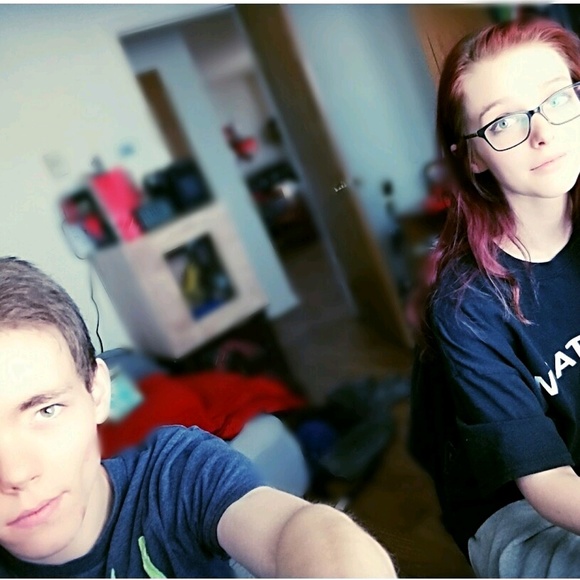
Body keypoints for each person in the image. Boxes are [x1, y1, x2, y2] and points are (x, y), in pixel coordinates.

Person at [0, 257, 397, 578]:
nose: (16, 473)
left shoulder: (173, 473)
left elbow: (294, 530)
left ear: (98, 392)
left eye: (47, 409)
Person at [409, 16, 580, 578]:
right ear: (473, 156)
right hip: (526, 507)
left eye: (558, 98)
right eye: (504, 121)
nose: (543, 132)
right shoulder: (468, 305)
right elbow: (548, 484)